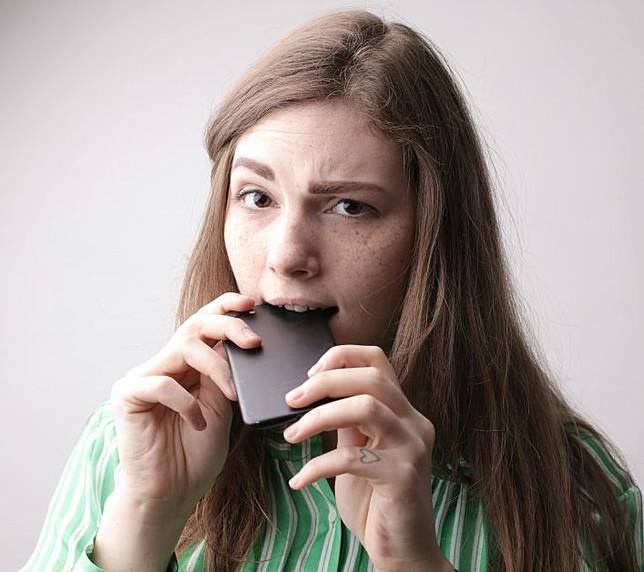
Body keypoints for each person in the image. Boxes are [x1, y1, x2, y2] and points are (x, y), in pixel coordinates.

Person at [21, 9, 642, 572]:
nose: (287, 256)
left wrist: (413, 561)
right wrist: (145, 515)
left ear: (433, 236)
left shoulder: (577, 488)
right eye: (257, 197)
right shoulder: (125, 448)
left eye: (349, 207)